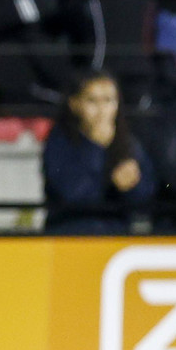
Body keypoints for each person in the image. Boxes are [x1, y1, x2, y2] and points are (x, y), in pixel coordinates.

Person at [43, 73, 155, 233]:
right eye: (92, 101)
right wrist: (96, 147)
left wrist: (132, 185)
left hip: (116, 236)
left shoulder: (128, 141)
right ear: (74, 104)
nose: (101, 110)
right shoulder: (59, 141)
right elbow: (72, 194)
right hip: (69, 234)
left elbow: (146, 198)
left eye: (108, 100)